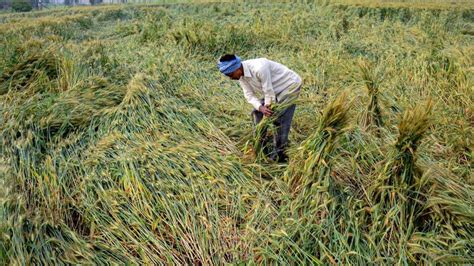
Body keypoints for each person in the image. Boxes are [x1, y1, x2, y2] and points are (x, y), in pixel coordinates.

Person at [217, 54, 302, 162]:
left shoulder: (259, 68)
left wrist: (267, 108)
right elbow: (249, 95)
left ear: (237, 68)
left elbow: (268, 91)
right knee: (256, 113)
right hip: (273, 90)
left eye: (230, 74)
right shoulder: (241, 76)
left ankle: (280, 153)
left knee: (279, 119)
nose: (230, 78)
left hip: (289, 85)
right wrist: (260, 107)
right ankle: (260, 146)